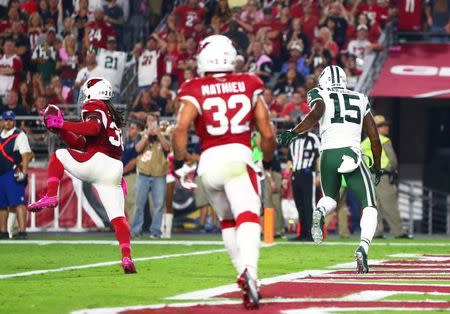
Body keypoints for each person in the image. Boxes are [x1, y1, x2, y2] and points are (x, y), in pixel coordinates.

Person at [172, 35, 276, 309]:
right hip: (237, 158)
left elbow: (181, 127)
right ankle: (251, 273)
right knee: (248, 215)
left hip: (209, 165)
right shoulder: (249, 82)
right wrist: (266, 159)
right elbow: (266, 130)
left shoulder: (193, 87)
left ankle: (241, 271)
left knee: (227, 220)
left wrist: (182, 162)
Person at [278, 65, 382, 274]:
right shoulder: (360, 98)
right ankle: (363, 247)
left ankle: (320, 211)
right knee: (369, 205)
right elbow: (374, 138)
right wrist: (377, 167)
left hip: (328, 155)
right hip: (350, 153)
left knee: (330, 198)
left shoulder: (318, 93)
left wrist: (293, 132)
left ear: (324, 80)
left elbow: (316, 113)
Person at [26, 77, 137, 274]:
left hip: (97, 163)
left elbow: (92, 128)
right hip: (113, 169)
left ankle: (52, 194)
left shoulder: (93, 104)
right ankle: (126, 257)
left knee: (58, 156)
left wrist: (64, 123)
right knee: (119, 218)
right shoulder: (111, 114)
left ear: (92, 93)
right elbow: (83, 145)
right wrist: (59, 129)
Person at [361, 115, 410, 239]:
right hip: (383, 176)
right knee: (390, 204)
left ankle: (376, 231)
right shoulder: (384, 140)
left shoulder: (365, 142)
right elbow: (392, 159)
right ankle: (399, 232)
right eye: (383, 125)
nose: (387, 127)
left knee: (374, 205)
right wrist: (393, 170)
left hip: (369, 175)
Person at [132, 112, 170, 239]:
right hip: (143, 174)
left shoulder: (164, 135)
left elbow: (168, 148)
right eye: (149, 120)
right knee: (139, 204)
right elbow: (137, 149)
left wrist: (158, 134)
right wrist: (147, 134)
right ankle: (136, 230)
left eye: (154, 121)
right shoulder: (141, 135)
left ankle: (156, 231)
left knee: (159, 205)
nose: (151, 123)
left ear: (157, 123)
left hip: (159, 174)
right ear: (146, 122)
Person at [0, 111, 33, 239]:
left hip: (12, 173)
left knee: (18, 203)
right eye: (6, 120)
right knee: (2, 205)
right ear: (2, 121)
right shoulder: (0, 135)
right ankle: (2, 232)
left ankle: (23, 231)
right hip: (1, 174)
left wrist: (24, 173)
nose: (8, 122)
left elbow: (26, 155)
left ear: (14, 121)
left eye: (10, 120)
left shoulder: (19, 135)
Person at [287, 130, 320, 241]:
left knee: (309, 204)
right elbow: (289, 160)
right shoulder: (293, 140)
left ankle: (313, 234)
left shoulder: (313, 138)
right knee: (299, 205)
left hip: (308, 174)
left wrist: (319, 174)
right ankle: (303, 233)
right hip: (296, 174)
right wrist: (287, 175)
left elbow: (318, 157)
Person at [122, 121, 142, 223]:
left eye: (133, 128)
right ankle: (130, 225)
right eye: (129, 127)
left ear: (139, 130)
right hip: (125, 176)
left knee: (132, 201)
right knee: (126, 202)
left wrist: (122, 171)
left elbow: (134, 161)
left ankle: (133, 227)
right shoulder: (129, 143)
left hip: (132, 175)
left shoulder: (138, 143)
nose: (129, 129)